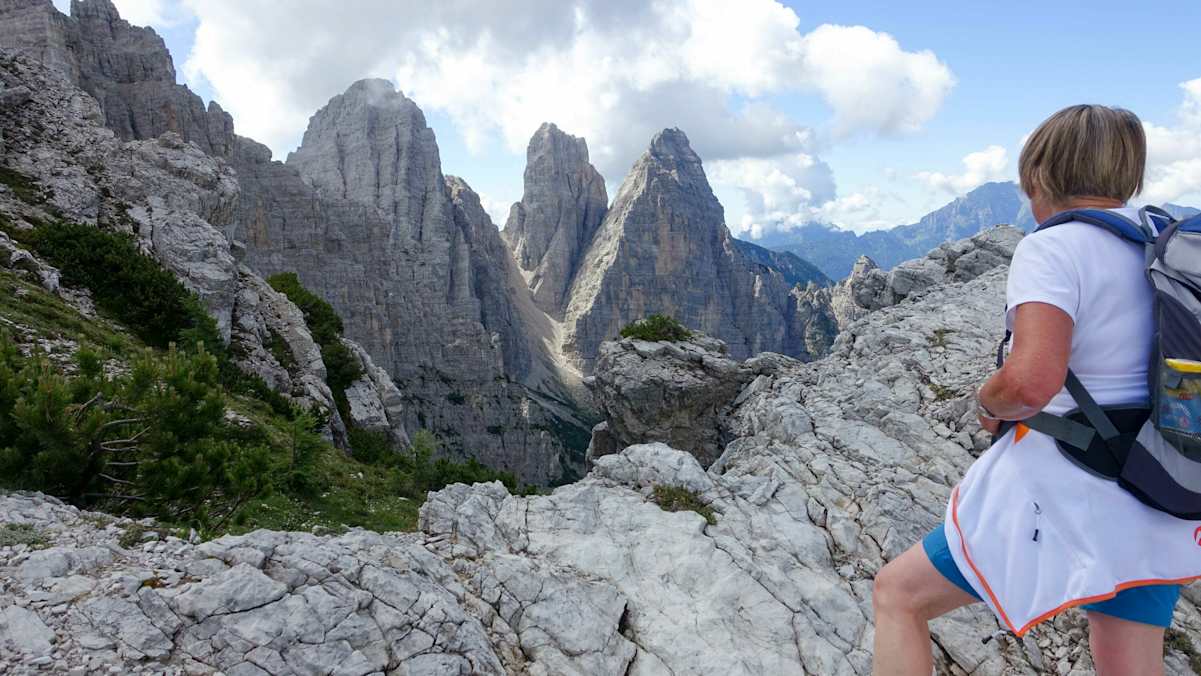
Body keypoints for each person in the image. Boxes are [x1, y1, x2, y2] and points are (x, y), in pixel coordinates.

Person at [871, 104, 1200, 675]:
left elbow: (1030, 381)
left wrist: (985, 402)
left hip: (1072, 485)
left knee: (899, 596)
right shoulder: (1163, 242)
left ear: (1038, 174)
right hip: (1159, 483)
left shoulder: (1053, 247)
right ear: (1131, 175)